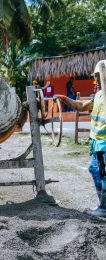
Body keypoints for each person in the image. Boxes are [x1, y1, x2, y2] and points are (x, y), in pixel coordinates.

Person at [55, 60, 106, 217]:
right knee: (94, 169)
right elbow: (81, 106)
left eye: (98, 76)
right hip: (96, 142)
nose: (95, 79)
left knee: (103, 174)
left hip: (104, 143)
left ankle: (104, 208)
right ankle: (102, 204)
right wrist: (65, 99)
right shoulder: (98, 95)